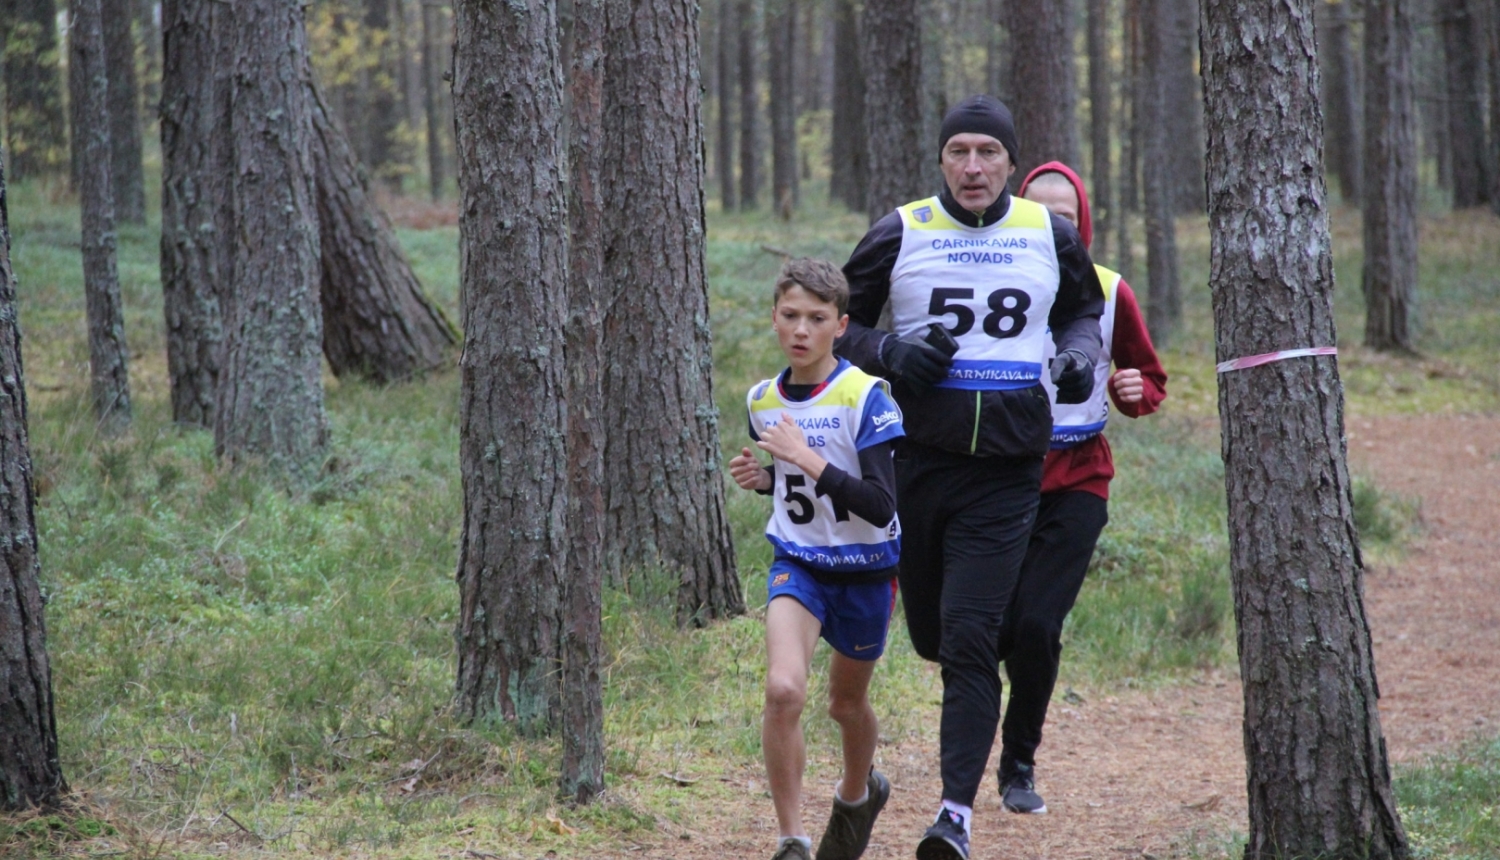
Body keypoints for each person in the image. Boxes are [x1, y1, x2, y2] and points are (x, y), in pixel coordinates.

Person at [836, 95, 1105, 860]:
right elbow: (838, 322)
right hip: (918, 463)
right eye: (960, 152)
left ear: (1012, 163)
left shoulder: (1048, 233)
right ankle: (961, 743)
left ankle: (953, 815)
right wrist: (890, 353)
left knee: (969, 640)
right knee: (930, 634)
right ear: (942, 160)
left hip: (1010, 470)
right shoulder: (904, 228)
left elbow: (1082, 313)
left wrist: (1080, 356)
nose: (974, 166)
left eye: (989, 152)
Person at [990, 162, 1169, 815]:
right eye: (1042, 212)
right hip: (999, 478)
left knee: (1036, 624)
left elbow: (1148, 377)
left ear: (1081, 222)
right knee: (992, 627)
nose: (1054, 225)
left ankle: (1018, 763)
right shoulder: (993, 283)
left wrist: (1134, 392)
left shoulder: (1109, 289)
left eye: (1066, 215)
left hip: (1078, 479)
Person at [729, 258, 907, 860]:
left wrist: (804, 459)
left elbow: (880, 505)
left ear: (841, 326)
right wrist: (762, 478)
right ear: (774, 320)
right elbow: (788, 486)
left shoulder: (868, 397)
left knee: (844, 704)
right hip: (799, 565)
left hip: (867, 570)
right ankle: (791, 839)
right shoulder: (761, 399)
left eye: (817, 318)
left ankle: (859, 792)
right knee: (783, 691)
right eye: (790, 316)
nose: (801, 329)